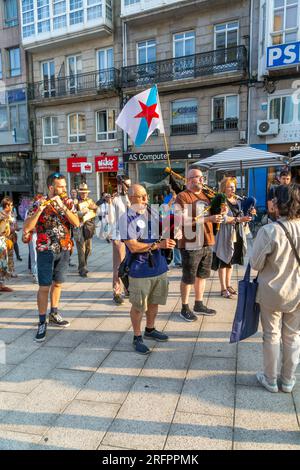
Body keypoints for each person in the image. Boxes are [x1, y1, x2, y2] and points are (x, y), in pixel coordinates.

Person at [251, 184, 300, 393]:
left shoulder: (269, 231)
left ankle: (270, 379)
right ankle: (288, 381)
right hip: (297, 290)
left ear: (278, 204)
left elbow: (255, 263)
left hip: (272, 291)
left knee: (271, 334)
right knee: (293, 336)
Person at [23, 172, 80, 342]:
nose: (64, 189)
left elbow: (76, 222)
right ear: (51, 187)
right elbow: (27, 227)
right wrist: (39, 211)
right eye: (61, 186)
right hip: (45, 249)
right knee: (44, 287)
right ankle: (42, 321)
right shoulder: (38, 203)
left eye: (64, 186)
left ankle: (54, 313)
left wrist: (62, 206)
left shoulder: (68, 202)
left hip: (64, 249)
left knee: (58, 284)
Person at [121, 184, 176, 354]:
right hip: (139, 270)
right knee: (138, 306)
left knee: (154, 302)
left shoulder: (151, 212)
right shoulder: (125, 219)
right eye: (141, 196)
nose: (146, 199)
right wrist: (158, 244)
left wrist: (173, 231)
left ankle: (150, 329)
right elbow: (134, 246)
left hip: (159, 267)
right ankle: (137, 337)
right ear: (131, 198)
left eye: (146, 195)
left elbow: (164, 226)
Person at [175, 167, 223, 322]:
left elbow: (213, 214)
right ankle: (184, 307)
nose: (202, 179)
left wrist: (221, 212)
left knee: (202, 275)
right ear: (188, 180)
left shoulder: (206, 195)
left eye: (202, 177)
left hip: (207, 240)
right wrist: (210, 219)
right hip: (190, 242)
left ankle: (199, 304)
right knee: (188, 277)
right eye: (198, 177)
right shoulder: (182, 197)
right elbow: (184, 221)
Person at [212, 177, 253, 298]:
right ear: (224, 187)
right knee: (224, 261)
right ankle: (223, 288)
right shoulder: (220, 200)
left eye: (234, 186)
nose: (233, 188)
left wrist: (250, 213)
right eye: (230, 186)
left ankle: (228, 285)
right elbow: (222, 218)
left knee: (231, 260)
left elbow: (241, 213)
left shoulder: (237, 200)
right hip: (224, 233)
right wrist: (239, 219)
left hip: (236, 232)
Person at [108, 175, 131, 305]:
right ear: (120, 185)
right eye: (126, 184)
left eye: (129, 184)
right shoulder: (115, 199)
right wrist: (110, 203)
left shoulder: (131, 198)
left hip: (132, 235)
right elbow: (111, 219)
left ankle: (128, 288)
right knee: (119, 265)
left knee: (130, 264)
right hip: (119, 235)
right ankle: (117, 292)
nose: (128, 187)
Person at [74, 183, 98, 278]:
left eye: (85, 193)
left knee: (89, 249)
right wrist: (81, 213)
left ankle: (84, 264)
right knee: (81, 250)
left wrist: (94, 208)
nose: (84, 194)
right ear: (80, 193)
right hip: (79, 228)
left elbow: (97, 210)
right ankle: (82, 269)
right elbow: (72, 214)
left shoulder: (90, 201)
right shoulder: (75, 202)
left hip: (88, 227)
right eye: (82, 193)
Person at [0, 200, 13, 293]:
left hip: (5, 240)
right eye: (11, 205)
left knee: (4, 262)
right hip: (1, 240)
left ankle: (2, 284)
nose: (12, 207)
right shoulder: (1, 215)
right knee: (1, 263)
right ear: (7, 205)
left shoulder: (8, 215)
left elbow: (12, 223)